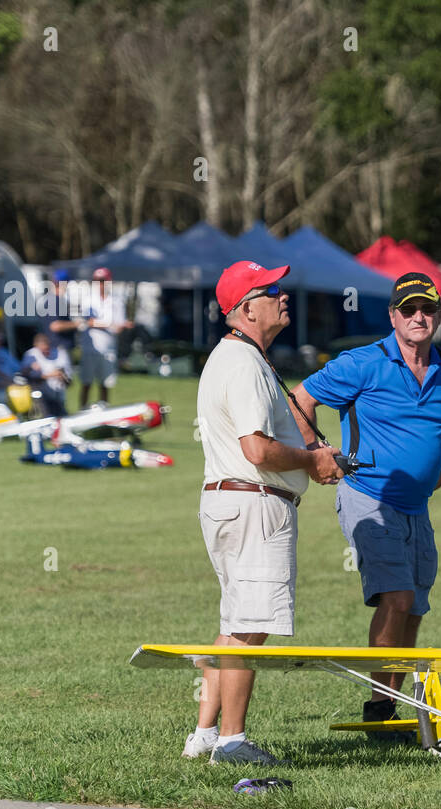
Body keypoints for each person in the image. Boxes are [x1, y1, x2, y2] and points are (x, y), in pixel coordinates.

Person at [186, 260, 344, 766]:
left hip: (232, 501)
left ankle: (206, 734)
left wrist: (314, 456)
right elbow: (256, 449)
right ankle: (232, 742)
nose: (283, 296)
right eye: (270, 290)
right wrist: (311, 460)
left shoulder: (239, 358)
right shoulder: (245, 363)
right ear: (245, 308)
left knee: (237, 622)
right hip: (255, 503)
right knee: (250, 624)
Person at [289, 272, 441, 729]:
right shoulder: (362, 363)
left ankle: (389, 706)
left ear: (438, 315)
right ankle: (379, 707)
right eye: (408, 310)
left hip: (417, 503)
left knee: (415, 607)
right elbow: (299, 400)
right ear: (393, 316)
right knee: (399, 597)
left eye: (427, 309)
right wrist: (315, 454)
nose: (418, 317)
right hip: (368, 495)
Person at [78, 266, 131, 407]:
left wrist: (118, 326)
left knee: (105, 383)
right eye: (97, 280)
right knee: (86, 383)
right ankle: (81, 410)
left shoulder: (116, 301)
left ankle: (104, 411)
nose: (99, 284)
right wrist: (109, 325)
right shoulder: (88, 300)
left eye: (102, 280)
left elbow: (119, 325)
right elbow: (87, 321)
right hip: (90, 348)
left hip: (108, 349)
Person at [21, 333, 72, 416]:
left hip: (56, 394)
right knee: (48, 414)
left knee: (62, 414)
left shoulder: (58, 354)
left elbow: (69, 382)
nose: (46, 351)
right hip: (40, 394)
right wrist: (51, 375)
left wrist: (62, 377)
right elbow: (31, 375)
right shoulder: (31, 356)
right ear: (36, 345)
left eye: (47, 348)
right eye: (43, 349)